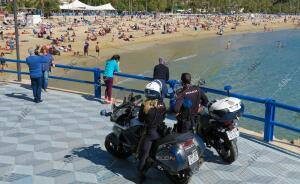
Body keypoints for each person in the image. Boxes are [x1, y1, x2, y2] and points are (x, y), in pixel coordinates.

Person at [137, 80, 166, 184]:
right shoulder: (162, 104)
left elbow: (140, 119)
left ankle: (140, 176)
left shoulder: (145, 106)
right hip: (160, 132)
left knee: (144, 154)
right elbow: (163, 117)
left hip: (150, 133)